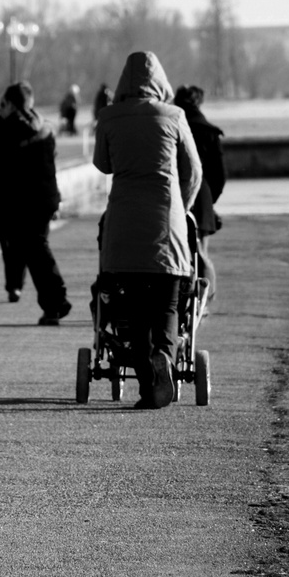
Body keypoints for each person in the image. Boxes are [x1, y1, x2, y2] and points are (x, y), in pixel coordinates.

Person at [93, 51, 202, 409]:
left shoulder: (109, 116)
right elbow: (195, 171)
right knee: (168, 306)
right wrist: (181, 207)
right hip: (166, 226)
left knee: (136, 312)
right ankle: (166, 360)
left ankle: (147, 385)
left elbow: (102, 164)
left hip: (124, 227)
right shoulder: (174, 116)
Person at [0, 81, 71, 325]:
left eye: (2, 104)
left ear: (10, 105)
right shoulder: (44, 128)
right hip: (43, 201)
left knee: (34, 252)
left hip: (15, 204)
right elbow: (50, 168)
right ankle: (52, 306)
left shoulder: (0, 131)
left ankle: (57, 301)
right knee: (38, 249)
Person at [173, 84, 226, 303]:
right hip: (202, 196)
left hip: (176, 194)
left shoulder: (174, 125)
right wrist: (208, 198)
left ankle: (183, 300)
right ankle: (205, 299)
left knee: (177, 254)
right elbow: (219, 175)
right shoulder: (209, 132)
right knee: (202, 254)